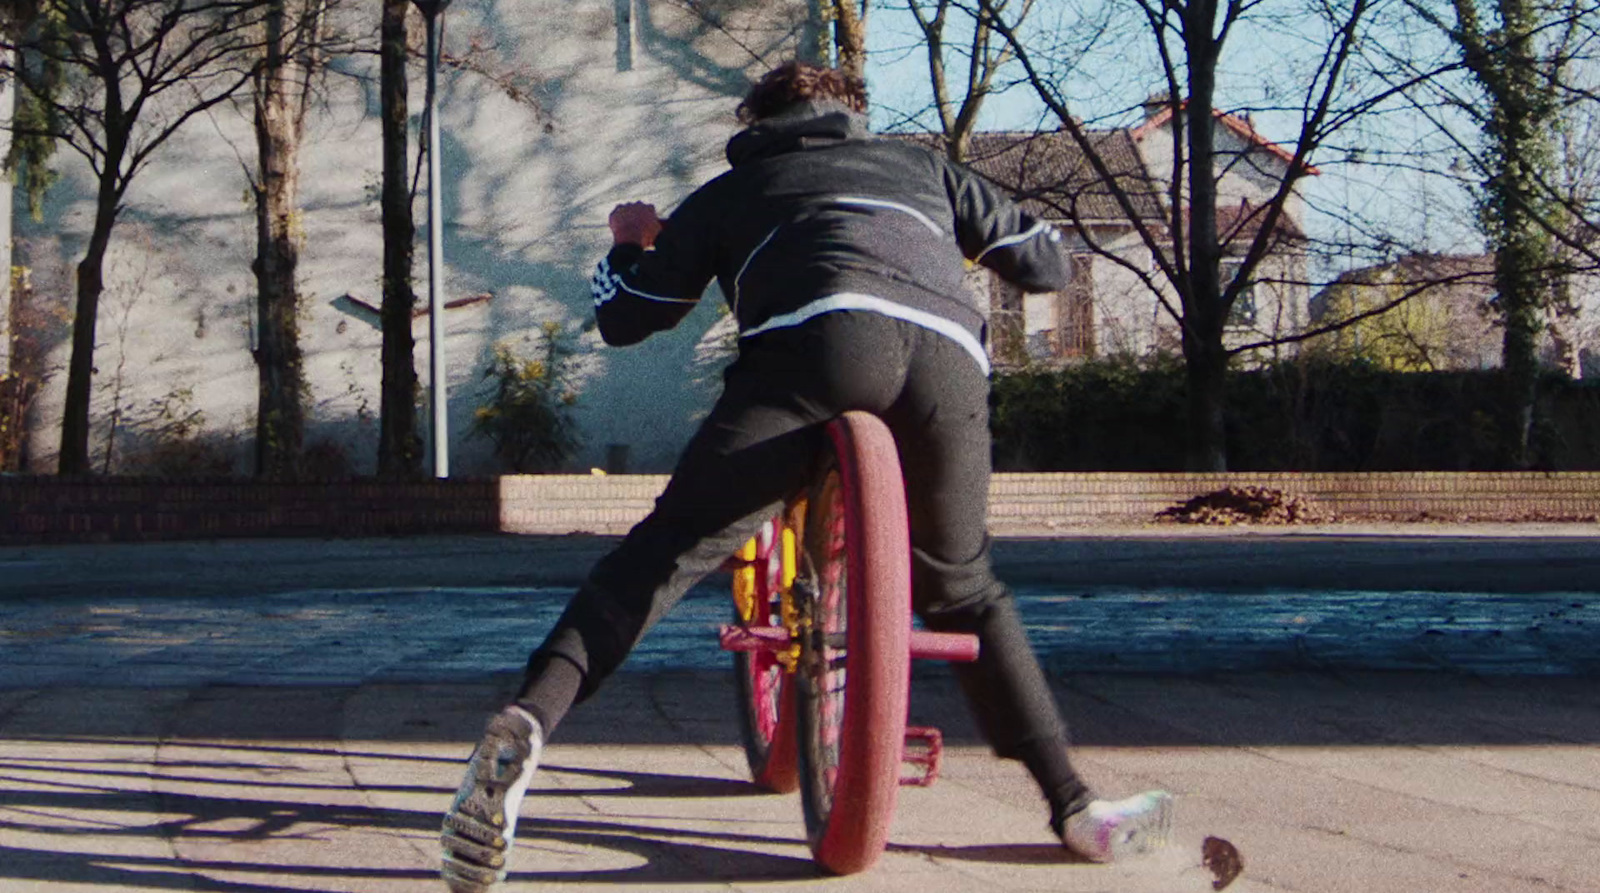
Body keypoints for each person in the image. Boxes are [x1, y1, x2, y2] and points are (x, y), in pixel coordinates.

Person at [439, 60, 1173, 893]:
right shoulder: (923, 165)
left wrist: (626, 243)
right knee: (966, 588)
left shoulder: (731, 191)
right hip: (945, 358)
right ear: (852, 115)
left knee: (664, 551)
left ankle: (526, 723)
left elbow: (624, 319)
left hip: (810, 345)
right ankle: (1076, 806)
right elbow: (1045, 266)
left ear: (756, 120)